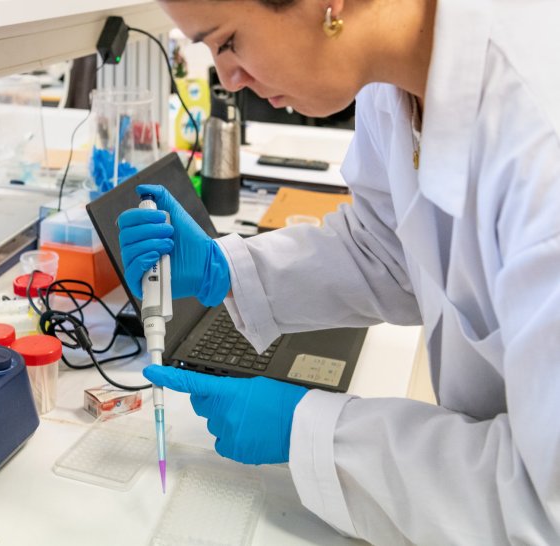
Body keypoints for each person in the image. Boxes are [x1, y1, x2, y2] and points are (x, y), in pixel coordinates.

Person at [117, 0, 560, 543]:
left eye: (228, 41)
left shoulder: (541, 134)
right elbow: (391, 244)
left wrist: (310, 431)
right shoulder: (389, 81)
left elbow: (546, 506)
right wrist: (227, 269)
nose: (227, 81)